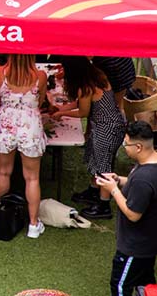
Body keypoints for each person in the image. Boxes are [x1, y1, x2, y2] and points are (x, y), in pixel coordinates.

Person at [100, 120, 157, 296]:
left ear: (138, 146)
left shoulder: (144, 178)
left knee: (120, 286)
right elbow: (140, 188)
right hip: (151, 242)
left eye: (126, 143)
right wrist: (119, 180)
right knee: (146, 285)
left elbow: (133, 215)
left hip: (136, 246)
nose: (125, 147)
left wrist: (114, 190)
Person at [53, 57, 127, 220]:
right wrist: (60, 108)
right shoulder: (96, 75)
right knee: (96, 159)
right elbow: (80, 103)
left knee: (104, 166)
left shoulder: (85, 87)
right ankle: (93, 192)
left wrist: (61, 113)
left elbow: (82, 112)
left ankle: (103, 205)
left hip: (107, 128)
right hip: (113, 124)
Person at [0, 53, 49, 238]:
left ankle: (3, 214)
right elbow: (39, 102)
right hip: (30, 126)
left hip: (6, 124)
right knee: (32, 178)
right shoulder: (40, 75)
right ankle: (33, 224)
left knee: (3, 172)